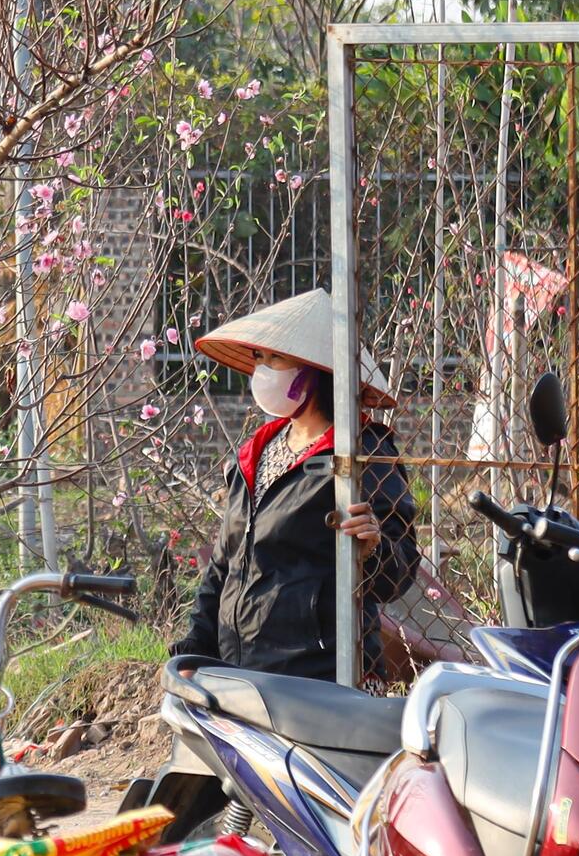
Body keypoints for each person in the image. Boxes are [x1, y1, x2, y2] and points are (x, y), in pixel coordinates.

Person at [173, 287, 419, 683]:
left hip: (318, 676)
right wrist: (195, 651)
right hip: (240, 672)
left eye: (277, 358)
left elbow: (400, 570)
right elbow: (223, 565)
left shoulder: (363, 451)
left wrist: (373, 549)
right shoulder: (257, 451)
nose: (263, 369)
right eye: (260, 357)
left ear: (314, 370)